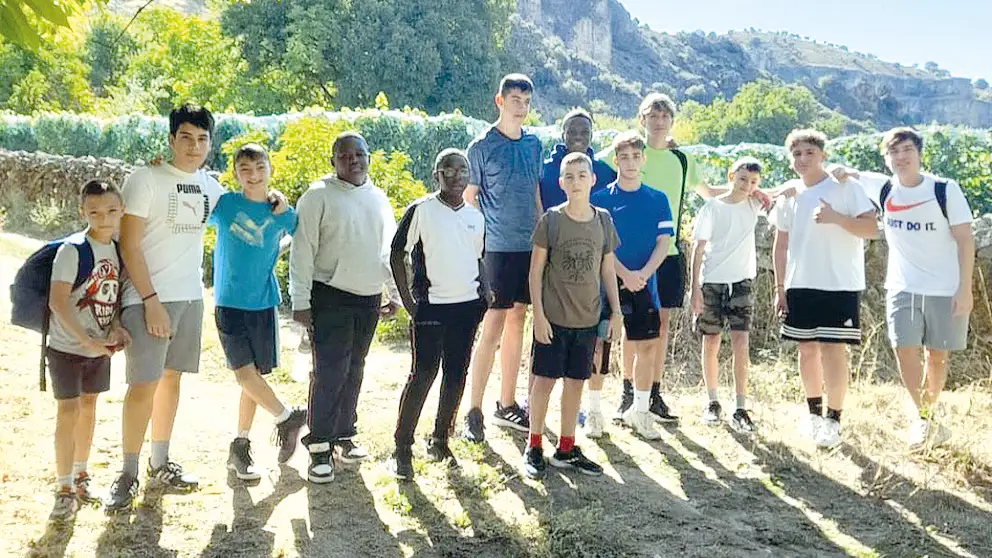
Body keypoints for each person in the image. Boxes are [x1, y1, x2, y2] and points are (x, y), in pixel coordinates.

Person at [106, 104, 226, 514]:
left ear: (210, 143)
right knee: (143, 385)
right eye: (186, 137)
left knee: (172, 380)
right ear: (172, 139)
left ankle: (160, 463)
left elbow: (246, 205)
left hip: (189, 296)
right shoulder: (145, 179)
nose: (194, 146)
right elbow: (129, 244)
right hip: (147, 298)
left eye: (202, 139)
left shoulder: (210, 186)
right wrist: (150, 302)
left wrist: (277, 201)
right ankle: (127, 472)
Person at [830, 127, 974, 449]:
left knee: (936, 356)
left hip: (944, 287)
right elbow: (846, 174)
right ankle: (922, 417)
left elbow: (965, 240)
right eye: (893, 152)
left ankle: (928, 415)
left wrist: (965, 290)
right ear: (886, 158)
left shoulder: (944, 190)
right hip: (902, 286)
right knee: (903, 348)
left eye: (906, 150)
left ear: (919, 153)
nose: (900, 157)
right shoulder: (883, 188)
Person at [290, 131, 402, 484]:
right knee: (329, 370)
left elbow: (388, 252)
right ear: (333, 161)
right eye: (344, 155)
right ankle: (319, 444)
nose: (352, 160)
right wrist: (301, 301)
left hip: (368, 297)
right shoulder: (317, 196)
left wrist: (394, 294)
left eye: (358, 154)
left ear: (368, 157)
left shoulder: (379, 199)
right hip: (330, 295)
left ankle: (343, 433)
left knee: (356, 367)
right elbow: (302, 250)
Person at [599, 93, 709, 424]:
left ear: (671, 121)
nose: (659, 121)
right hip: (627, 259)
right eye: (652, 115)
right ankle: (627, 393)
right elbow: (589, 172)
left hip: (667, 256)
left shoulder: (682, 160)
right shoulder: (624, 151)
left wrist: (760, 193)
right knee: (629, 328)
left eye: (664, 116)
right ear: (642, 118)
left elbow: (709, 193)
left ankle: (653, 394)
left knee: (659, 326)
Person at [770, 129, 878, 449]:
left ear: (822, 155)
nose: (803, 159)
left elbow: (871, 228)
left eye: (809, 153)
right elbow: (781, 244)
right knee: (806, 350)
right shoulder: (790, 195)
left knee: (833, 350)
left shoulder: (845, 187)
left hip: (839, 283)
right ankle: (813, 415)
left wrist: (835, 218)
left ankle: (834, 420)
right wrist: (780, 287)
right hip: (800, 283)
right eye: (797, 154)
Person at [208, 143, 307, 481]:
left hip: (263, 303)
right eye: (245, 170)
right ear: (235, 174)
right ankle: (287, 417)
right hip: (229, 302)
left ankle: (240, 446)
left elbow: (300, 235)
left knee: (252, 378)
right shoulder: (225, 205)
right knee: (243, 374)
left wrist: (284, 205)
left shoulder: (281, 212)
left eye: (259, 168)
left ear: (269, 168)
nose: (253, 176)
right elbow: (193, 204)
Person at [388, 149, 488, 480]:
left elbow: (478, 258)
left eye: (463, 169)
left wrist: (484, 293)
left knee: (456, 374)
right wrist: (408, 301)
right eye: (449, 169)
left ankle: (440, 439)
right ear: (437, 175)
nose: (457, 175)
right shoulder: (421, 210)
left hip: (466, 308)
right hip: (430, 307)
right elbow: (396, 253)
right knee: (424, 373)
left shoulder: (475, 216)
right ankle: (402, 448)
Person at [524, 152, 622, 479]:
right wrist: (538, 316)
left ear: (593, 180)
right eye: (570, 176)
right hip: (552, 320)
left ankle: (566, 448)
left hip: (587, 321)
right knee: (544, 382)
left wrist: (617, 311)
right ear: (561, 182)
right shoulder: (550, 220)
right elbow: (535, 272)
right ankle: (534, 444)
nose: (576, 182)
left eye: (583, 175)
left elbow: (608, 271)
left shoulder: (604, 220)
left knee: (576, 383)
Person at [462, 74, 543, 442]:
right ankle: (473, 410)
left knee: (518, 322)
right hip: (496, 247)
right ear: (499, 100)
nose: (520, 107)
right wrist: (476, 245)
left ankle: (506, 404)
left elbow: (535, 194)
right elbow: (469, 197)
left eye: (525, 101)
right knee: (493, 324)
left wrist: (544, 235)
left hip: (529, 247)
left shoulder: (533, 144)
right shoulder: (481, 146)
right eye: (513, 99)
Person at [45, 180, 129, 521]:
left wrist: (117, 327)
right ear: (83, 211)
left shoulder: (119, 248)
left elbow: (116, 293)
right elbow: (57, 302)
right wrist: (86, 340)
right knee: (69, 412)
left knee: (90, 407)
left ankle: (81, 476)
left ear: (122, 210)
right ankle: (64, 488)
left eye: (111, 210)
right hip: (67, 347)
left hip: (99, 347)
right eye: (94, 211)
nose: (104, 218)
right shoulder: (73, 249)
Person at [589, 131, 673, 440]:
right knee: (599, 345)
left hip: (644, 285)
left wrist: (643, 274)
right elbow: (599, 247)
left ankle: (640, 411)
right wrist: (624, 274)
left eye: (636, 156)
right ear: (615, 161)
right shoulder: (599, 199)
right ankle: (595, 412)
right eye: (623, 157)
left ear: (643, 159)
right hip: (606, 284)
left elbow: (664, 242)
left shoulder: (657, 199)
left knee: (646, 347)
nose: (630, 162)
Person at [689, 157, 764, 434]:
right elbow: (698, 248)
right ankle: (712, 401)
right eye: (743, 179)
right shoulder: (712, 207)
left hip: (742, 282)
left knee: (741, 343)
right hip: (712, 282)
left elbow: (784, 193)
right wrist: (695, 288)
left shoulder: (754, 204)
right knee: (711, 343)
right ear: (731, 176)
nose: (747, 185)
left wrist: (761, 193)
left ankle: (741, 407)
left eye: (754, 181)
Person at [538, 107, 616, 211]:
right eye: (572, 132)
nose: (578, 137)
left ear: (591, 136)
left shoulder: (606, 172)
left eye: (584, 132)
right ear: (563, 136)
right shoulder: (544, 170)